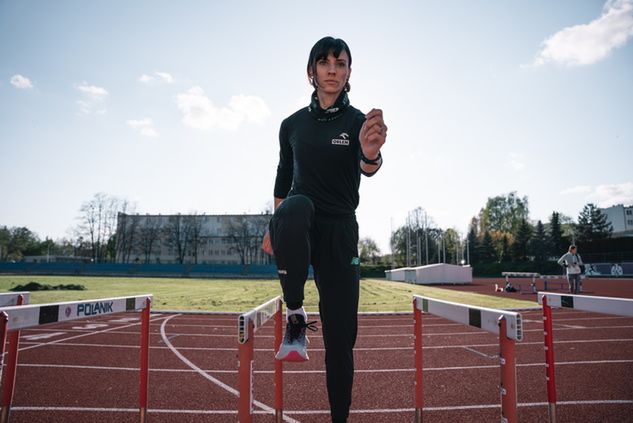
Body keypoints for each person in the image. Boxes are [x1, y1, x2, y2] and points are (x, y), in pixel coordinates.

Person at [261, 36, 387, 423]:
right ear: (311, 70)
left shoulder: (357, 122)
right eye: (325, 62)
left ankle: (339, 418)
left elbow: (368, 168)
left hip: (341, 230)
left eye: (341, 63)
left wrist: (370, 154)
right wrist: (276, 227)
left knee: (340, 337)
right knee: (297, 206)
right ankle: (295, 314)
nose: (332, 69)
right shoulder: (292, 125)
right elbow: (284, 178)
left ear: (349, 73)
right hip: (301, 222)